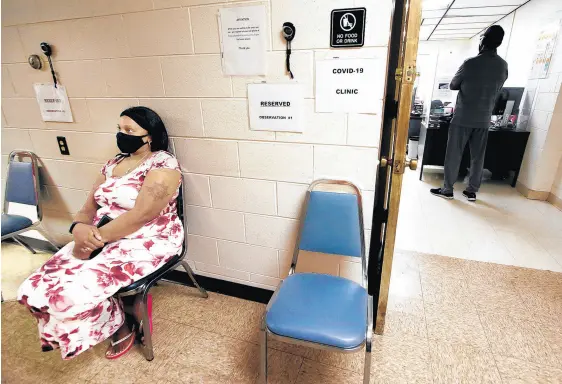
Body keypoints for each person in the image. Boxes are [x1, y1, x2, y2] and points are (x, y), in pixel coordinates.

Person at [17, 107, 183, 360]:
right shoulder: (113, 163)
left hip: (148, 238)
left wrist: (95, 239)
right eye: (119, 129)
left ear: (150, 136)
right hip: (99, 233)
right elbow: (88, 207)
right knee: (34, 288)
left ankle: (121, 325)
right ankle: (116, 311)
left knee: (69, 294)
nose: (122, 135)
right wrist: (79, 229)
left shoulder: (163, 163)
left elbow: (141, 215)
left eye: (130, 130)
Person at [430, 25, 508, 202]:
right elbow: (499, 87)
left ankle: (448, 189)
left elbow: (453, 85)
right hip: (484, 119)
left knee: (454, 154)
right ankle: (471, 191)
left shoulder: (470, 63)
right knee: (478, 157)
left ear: (482, 41)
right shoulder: (503, 65)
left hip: (463, 117)